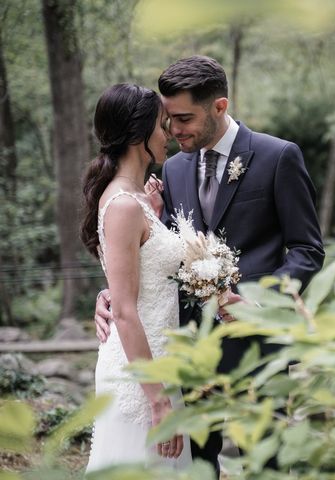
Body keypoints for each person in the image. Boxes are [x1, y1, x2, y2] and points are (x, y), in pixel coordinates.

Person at [94, 56, 325, 476]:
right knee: (195, 465)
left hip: (257, 348)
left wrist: (262, 304)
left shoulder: (278, 157)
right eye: (167, 120)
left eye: (183, 118)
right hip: (187, 348)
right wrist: (111, 293)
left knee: (267, 463)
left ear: (219, 107)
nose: (173, 130)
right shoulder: (174, 167)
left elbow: (307, 249)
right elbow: (154, 250)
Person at [81, 83, 192, 471]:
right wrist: (158, 401)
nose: (169, 135)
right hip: (141, 379)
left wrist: (157, 216)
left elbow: (139, 271)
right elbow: (125, 310)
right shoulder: (125, 205)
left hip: (159, 364)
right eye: (162, 126)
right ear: (137, 136)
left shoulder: (139, 199)